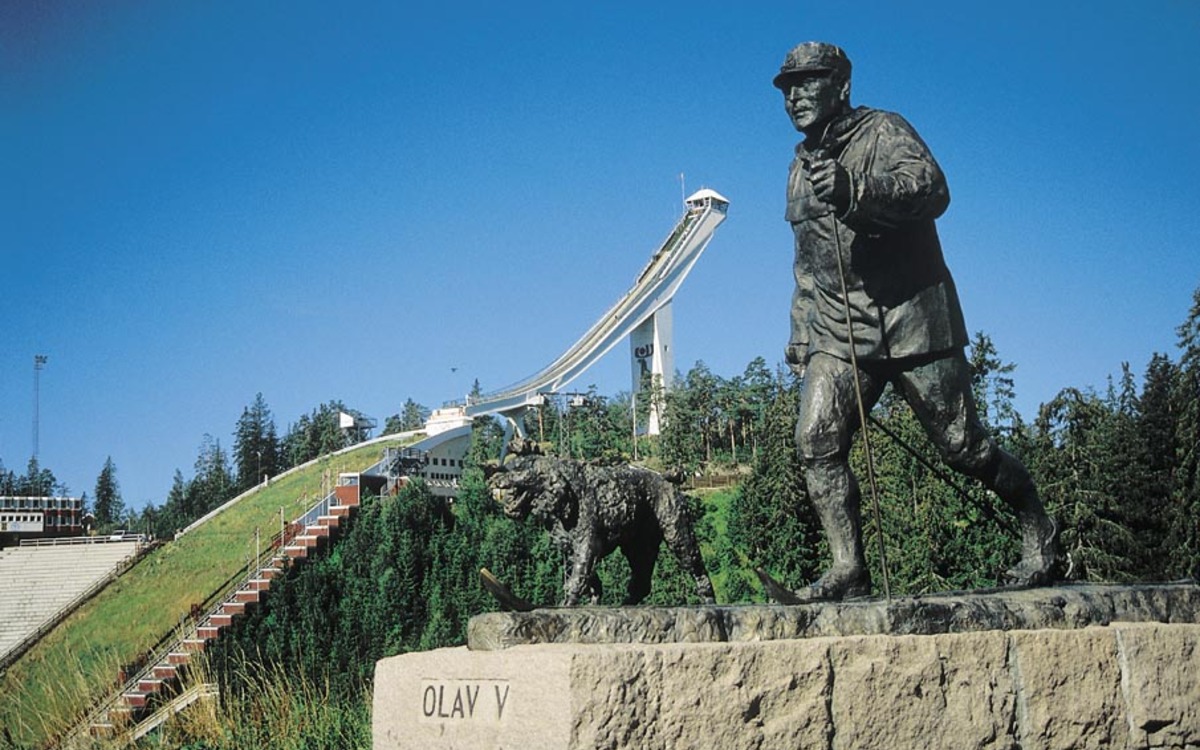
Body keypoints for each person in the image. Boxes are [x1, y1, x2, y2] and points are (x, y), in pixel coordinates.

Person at [770, 41, 1058, 601]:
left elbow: (931, 190)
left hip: (913, 320)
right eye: (787, 88)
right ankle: (848, 567)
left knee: (963, 447)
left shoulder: (885, 131)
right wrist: (802, 327)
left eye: (808, 82)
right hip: (840, 330)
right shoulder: (797, 170)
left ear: (841, 86)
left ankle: (1038, 526)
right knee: (817, 440)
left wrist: (856, 189)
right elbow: (807, 261)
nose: (795, 96)